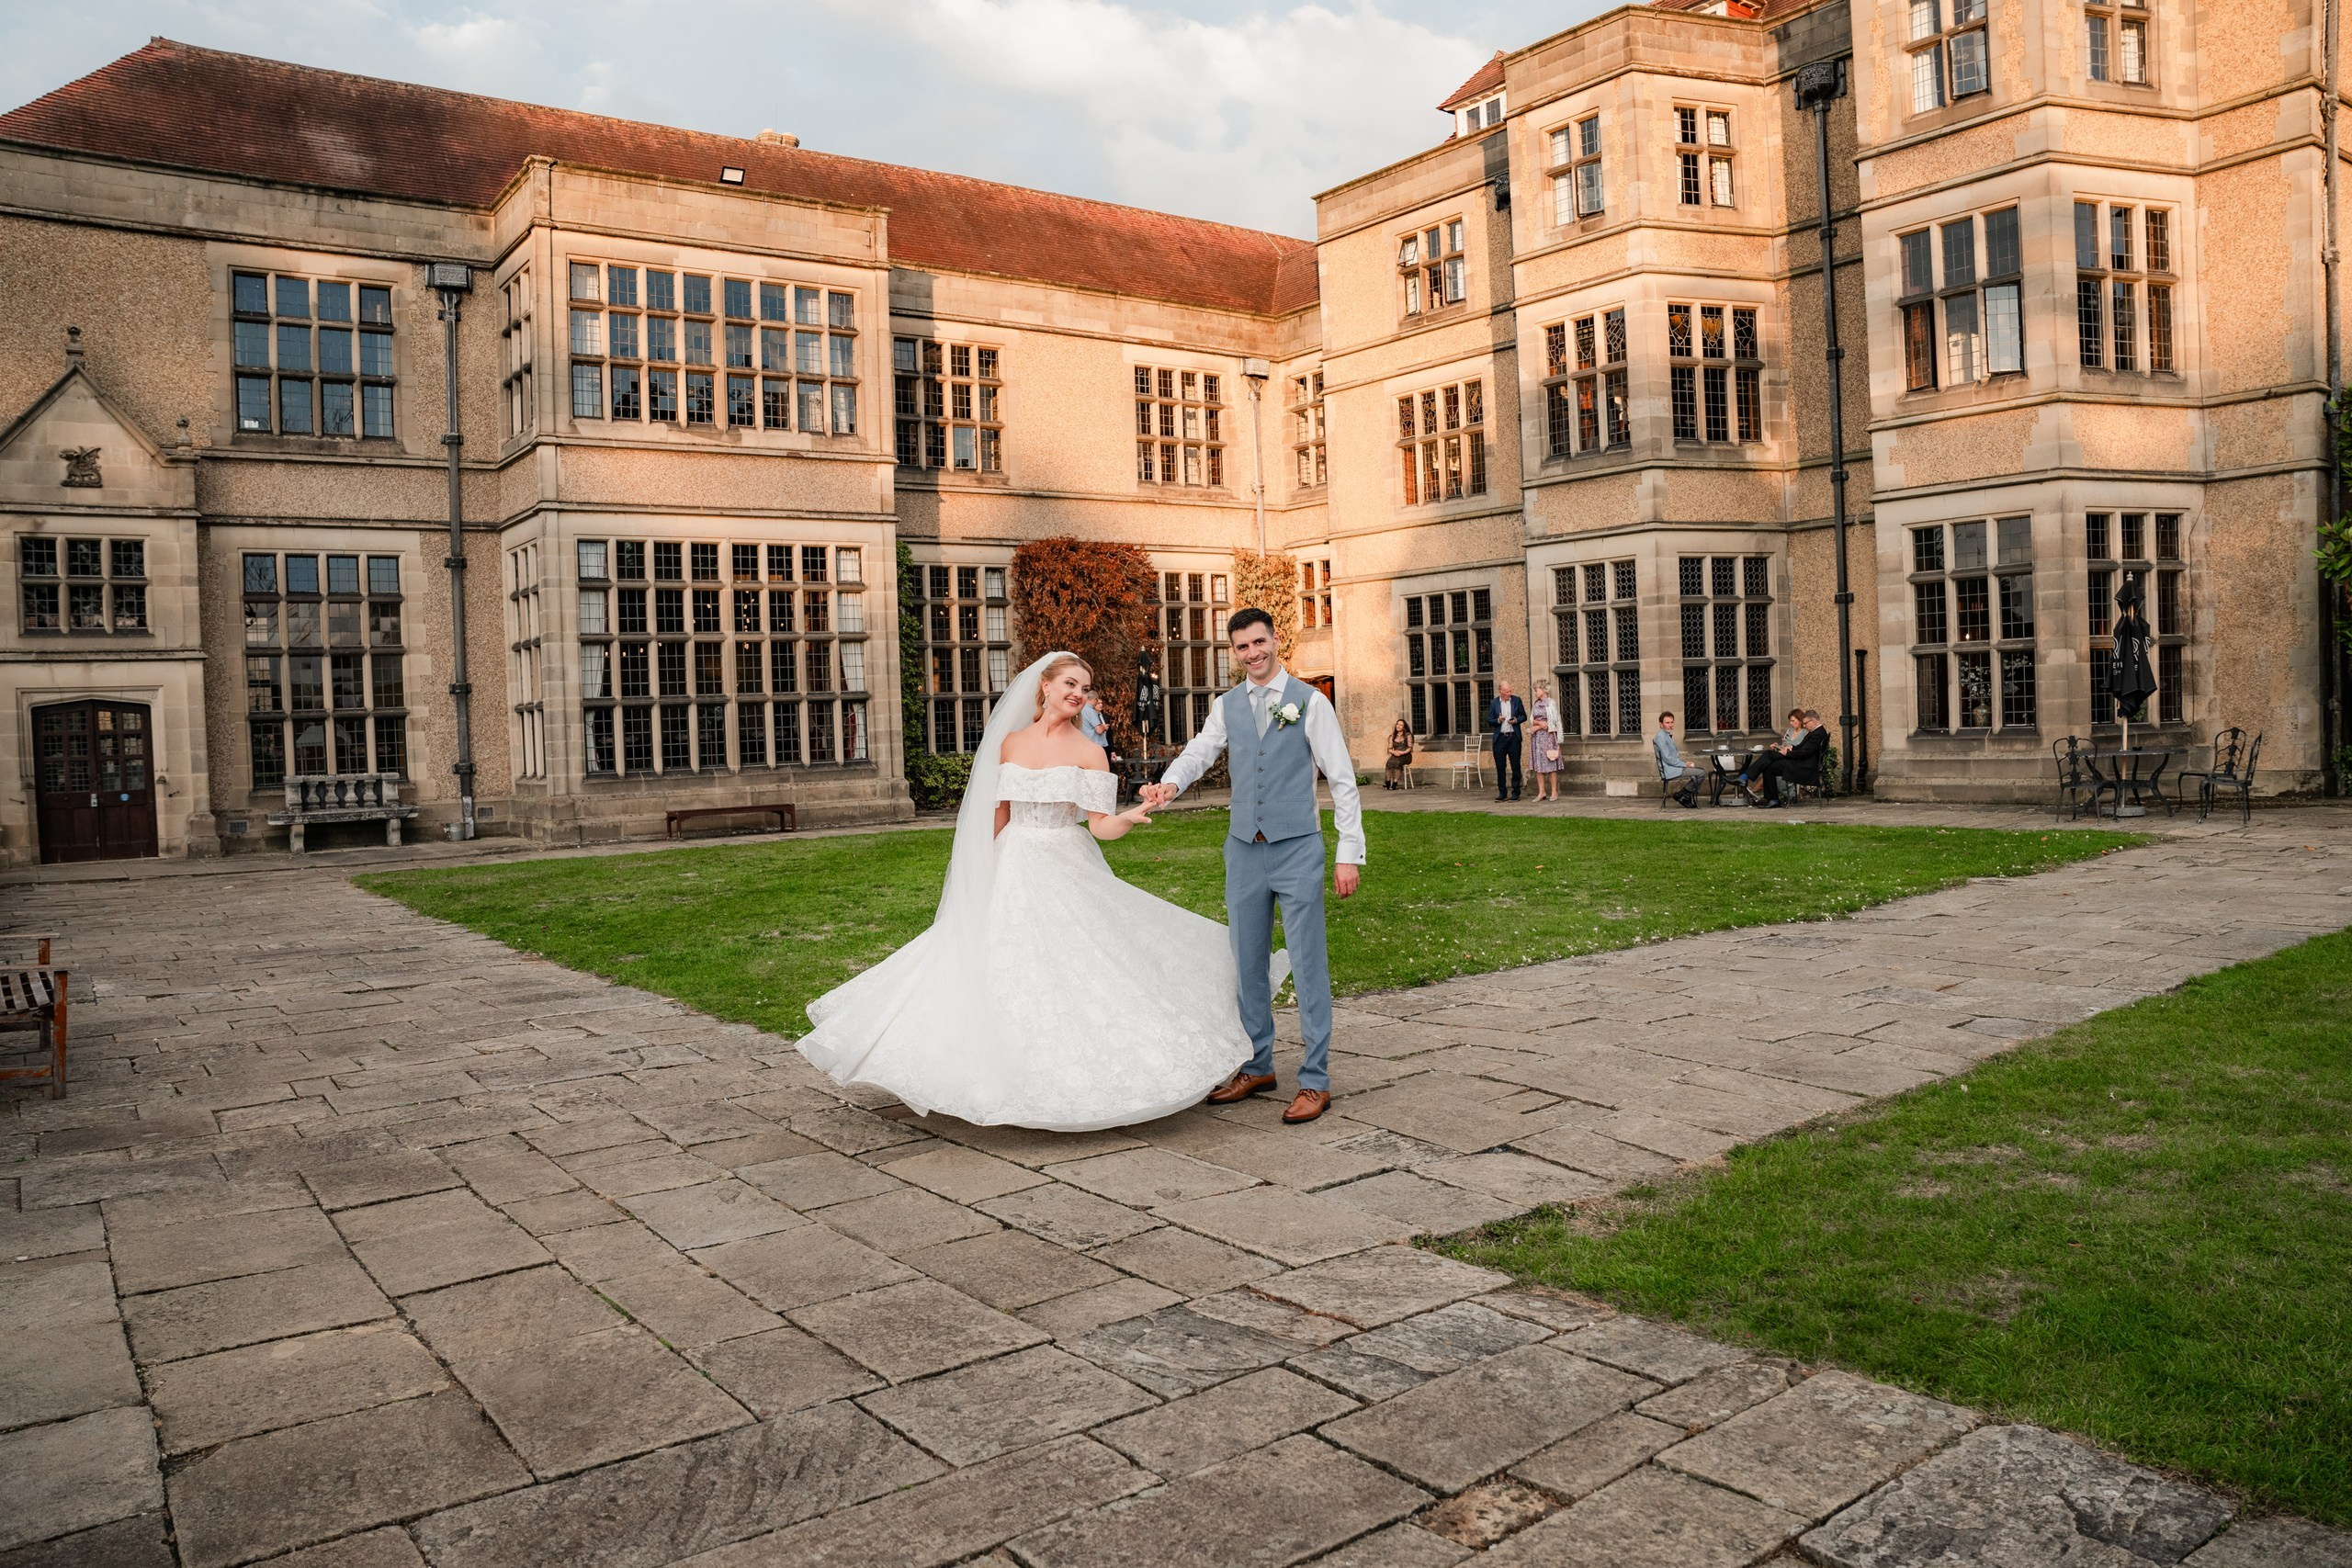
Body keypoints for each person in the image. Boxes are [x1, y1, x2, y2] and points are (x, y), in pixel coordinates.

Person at [798, 652, 1256, 1131]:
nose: (1078, 693)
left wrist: (1126, 817)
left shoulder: (1089, 751)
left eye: (1085, 687)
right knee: (994, 959)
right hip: (1012, 860)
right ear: (1046, 686)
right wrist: (980, 868)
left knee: (1080, 964)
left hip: (1066, 861)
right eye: (1070, 684)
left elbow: (1100, 827)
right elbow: (996, 813)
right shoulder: (1011, 743)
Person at [1142, 607, 1364, 1125]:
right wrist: (1171, 783)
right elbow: (1200, 751)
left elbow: (1343, 779)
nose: (1253, 654)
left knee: (1308, 964)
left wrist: (1348, 852)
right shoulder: (1227, 706)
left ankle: (1315, 1080)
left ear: (1275, 639)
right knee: (1246, 963)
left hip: (1297, 848)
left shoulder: (1311, 703)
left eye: (1259, 643)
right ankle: (1257, 1063)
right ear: (1234, 651)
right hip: (1243, 848)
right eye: (1242, 647)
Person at [1747, 709, 1828, 807]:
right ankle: (1771, 799)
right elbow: (1802, 747)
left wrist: (1787, 753)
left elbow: (1804, 753)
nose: (1805, 725)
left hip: (1805, 766)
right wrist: (1792, 747)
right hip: (1802, 762)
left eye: (1806, 723)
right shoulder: (1816, 732)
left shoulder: (1818, 734)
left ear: (1813, 721)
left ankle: (1748, 779)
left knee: (1769, 760)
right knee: (1769, 759)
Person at [1650, 711, 1701, 807]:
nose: (1670, 725)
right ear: (1661, 724)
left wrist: (1684, 764)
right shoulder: (1661, 737)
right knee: (1700, 773)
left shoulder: (1665, 735)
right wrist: (1684, 765)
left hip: (1673, 767)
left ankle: (1683, 794)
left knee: (1699, 771)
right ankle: (1683, 794)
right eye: (1667, 723)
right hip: (1670, 770)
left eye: (1672, 722)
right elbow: (1667, 758)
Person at [1488, 680, 1527, 802]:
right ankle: (1502, 792)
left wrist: (1516, 720)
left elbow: (1524, 716)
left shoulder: (1516, 700)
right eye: (1507, 691)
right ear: (1501, 692)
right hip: (1500, 738)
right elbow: (1490, 720)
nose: (1509, 693)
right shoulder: (1494, 703)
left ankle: (1516, 792)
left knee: (1515, 766)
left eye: (1510, 691)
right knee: (1500, 767)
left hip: (1513, 737)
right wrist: (1498, 720)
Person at [1528, 682, 1563, 802]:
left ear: (1544, 690)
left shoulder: (1551, 703)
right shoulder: (1536, 703)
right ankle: (1541, 792)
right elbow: (1531, 719)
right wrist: (1537, 724)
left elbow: (1554, 721)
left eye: (1536, 689)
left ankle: (1554, 792)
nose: (1535, 692)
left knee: (1551, 764)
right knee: (1539, 766)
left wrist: (1538, 727)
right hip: (1537, 739)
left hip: (1549, 738)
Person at [1076, 694, 1111, 758]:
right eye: (1097, 702)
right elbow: (1099, 730)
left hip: (1083, 744)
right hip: (1094, 745)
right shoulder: (1091, 711)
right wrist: (1104, 727)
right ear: (1095, 699)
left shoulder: (1079, 710)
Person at [1384, 718, 1414, 790]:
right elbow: (1389, 749)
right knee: (1389, 762)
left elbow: (1410, 748)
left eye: (1401, 725)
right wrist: (1394, 752)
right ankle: (1388, 781)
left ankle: (1395, 783)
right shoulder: (1392, 736)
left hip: (1406, 755)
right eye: (1397, 724)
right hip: (1396, 754)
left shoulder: (1408, 735)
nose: (1398, 726)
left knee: (1397, 762)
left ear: (1404, 727)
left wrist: (1401, 753)